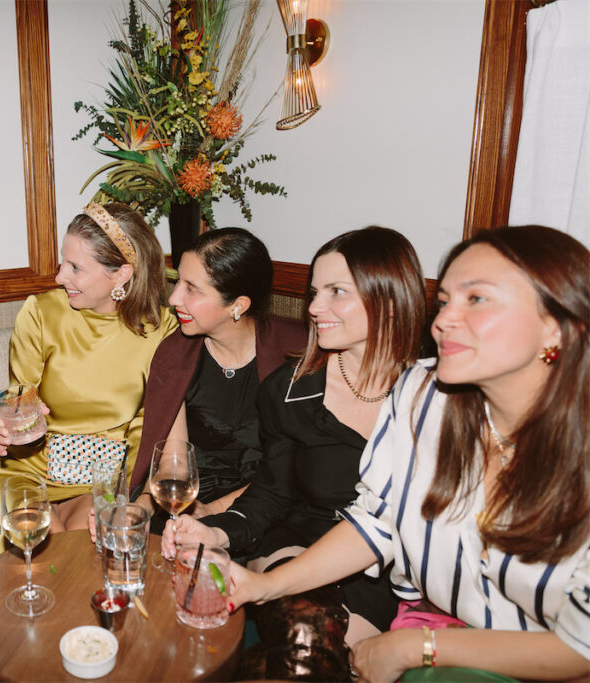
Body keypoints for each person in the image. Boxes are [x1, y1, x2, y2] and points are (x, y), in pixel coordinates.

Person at [225, 226, 590, 682]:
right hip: (429, 625)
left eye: (476, 299)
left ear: (554, 325)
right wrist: (265, 584)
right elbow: (376, 522)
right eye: (444, 302)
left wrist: (415, 647)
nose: (442, 322)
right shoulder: (422, 393)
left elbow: (581, 647)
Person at [164, 226, 428, 644]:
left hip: (382, 566)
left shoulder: (430, 398)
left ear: (390, 300)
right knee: (302, 631)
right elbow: (273, 491)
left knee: (326, 651)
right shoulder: (290, 389)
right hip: (298, 539)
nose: (315, 307)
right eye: (314, 292)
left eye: (336, 291)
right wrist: (216, 530)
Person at [0, 202, 177, 553]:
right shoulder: (42, 312)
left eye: (75, 267)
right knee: (42, 546)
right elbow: (21, 399)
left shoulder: (163, 330)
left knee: (78, 554)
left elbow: (151, 425)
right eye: (62, 262)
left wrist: (119, 490)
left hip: (104, 479)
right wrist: (19, 427)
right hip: (29, 470)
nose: (60, 277)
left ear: (121, 274)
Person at [129, 228, 307, 531]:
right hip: (194, 494)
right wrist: (140, 507)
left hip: (273, 498)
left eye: (191, 289)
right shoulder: (176, 354)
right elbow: (175, 462)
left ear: (238, 304)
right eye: (177, 283)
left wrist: (216, 511)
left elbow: (293, 469)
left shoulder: (295, 354)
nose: (174, 298)